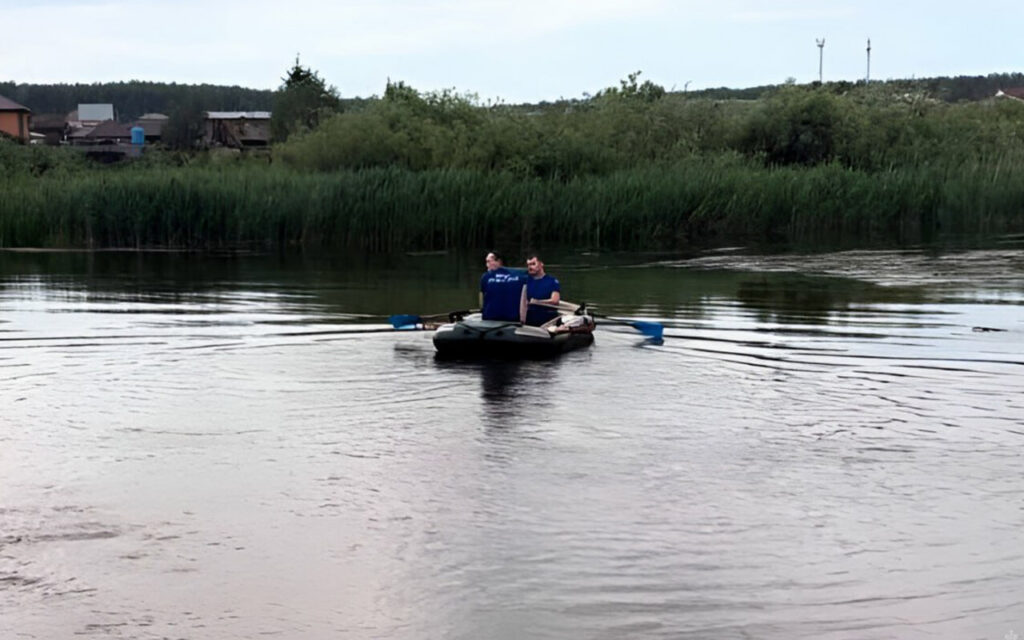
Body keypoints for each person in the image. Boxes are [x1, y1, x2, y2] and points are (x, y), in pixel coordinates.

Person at [478, 251, 527, 322]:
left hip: (490, 318)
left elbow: (481, 300)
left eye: (489, 262)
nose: (487, 265)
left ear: (499, 261)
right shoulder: (522, 276)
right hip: (514, 319)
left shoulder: (486, 277)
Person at [524, 253, 561, 326]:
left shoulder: (552, 281)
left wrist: (537, 302)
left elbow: (555, 300)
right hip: (529, 316)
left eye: (533, 264)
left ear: (541, 264)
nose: (530, 267)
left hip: (546, 317)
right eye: (528, 265)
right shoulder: (525, 280)